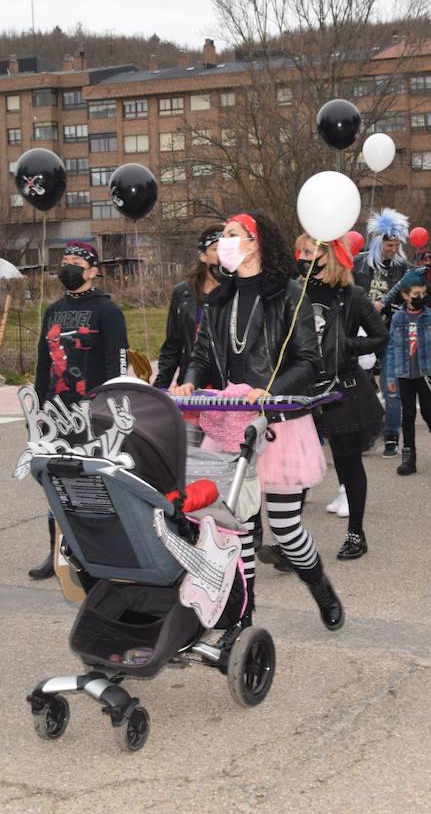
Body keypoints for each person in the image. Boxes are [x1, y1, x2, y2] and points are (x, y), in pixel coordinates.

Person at [174, 213, 344, 630]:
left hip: (278, 425)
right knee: (240, 528)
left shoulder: (289, 295)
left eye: (232, 235)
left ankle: (318, 583)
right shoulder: (217, 299)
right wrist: (190, 382)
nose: (224, 242)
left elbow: (310, 360)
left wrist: (271, 390)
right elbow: (200, 356)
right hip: (231, 425)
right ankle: (242, 621)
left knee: (286, 529)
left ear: (255, 243)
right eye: (222, 236)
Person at [26, 240, 130, 579]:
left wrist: (110, 410)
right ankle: (57, 552)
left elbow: (118, 363)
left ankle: (99, 552)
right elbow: (44, 363)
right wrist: (38, 413)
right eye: (65, 260)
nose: (68, 266)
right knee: (55, 484)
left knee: (93, 486)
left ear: (94, 271)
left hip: (93, 412)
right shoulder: (52, 311)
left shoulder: (108, 311)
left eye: (77, 261)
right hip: (56, 411)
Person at [294, 233, 385, 562]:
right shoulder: (294, 291)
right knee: (298, 466)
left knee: (348, 463)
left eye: (307, 251)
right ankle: (291, 540)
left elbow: (380, 337)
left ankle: (356, 535)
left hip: (342, 387)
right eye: (300, 251)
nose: (300, 257)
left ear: (327, 255)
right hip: (302, 390)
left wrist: (347, 345)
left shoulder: (352, 295)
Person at [352, 208, 410, 458]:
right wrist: (367, 304)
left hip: (390, 334)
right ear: (379, 241)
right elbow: (347, 294)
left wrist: (395, 304)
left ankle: (391, 437)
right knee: (359, 388)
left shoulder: (404, 269)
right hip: (360, 335)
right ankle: (364, 434)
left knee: (392, 388)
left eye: (397, 244)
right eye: (389, 244)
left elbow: (414, 298)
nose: (392, 249)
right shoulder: (358, 265)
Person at [383, 271, 431, 475]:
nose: (420, 298)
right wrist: (391, 376)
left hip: (426, 372)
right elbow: (392, 348)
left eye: (423, 293)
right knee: (408, 414)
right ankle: (408, 457)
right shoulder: (398, 318)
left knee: (428, 412)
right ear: (404, 295)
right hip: (404, 373)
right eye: (415, 294)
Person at [154, 224, 224, 390]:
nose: (223, 254)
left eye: (227, 248)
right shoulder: (183, 293)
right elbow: (173, 344)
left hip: (227, 386)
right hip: (190, 384)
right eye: (216, 248)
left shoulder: (238, 290)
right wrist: (158, 389)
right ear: (203, 256)